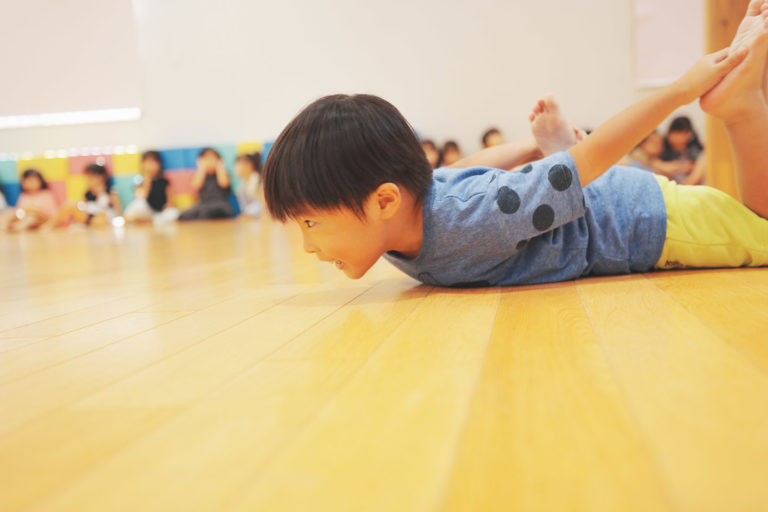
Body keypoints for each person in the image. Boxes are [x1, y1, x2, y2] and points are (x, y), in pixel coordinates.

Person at [261, 0, 768, 285]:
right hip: (612, 209)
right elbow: (471, 169)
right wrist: (531, 149)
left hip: (645, 226)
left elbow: (590, 159)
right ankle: (740, 104)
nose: (308, 245)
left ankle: (742, 103)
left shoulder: (469, 222)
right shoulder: (404, 218)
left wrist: (681, 88)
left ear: (384, 201)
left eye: (311, 223)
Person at [123, 150, 179, 224]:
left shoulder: (164, 182)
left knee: (173, 213)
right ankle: (151, 221)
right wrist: (147, 181)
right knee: (139, 204)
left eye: (153, 162)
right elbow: (140, 198)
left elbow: (170, 201)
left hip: (159, 213)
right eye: (147, 162)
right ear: (142, 164)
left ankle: (149, 222)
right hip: (146, 211)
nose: (150, 166)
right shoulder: (139, 180)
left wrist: (169, 205)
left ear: (159, 164)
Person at [178, 148, 234, 221]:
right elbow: (196, 185)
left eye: (213, 158)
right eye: (206, 158)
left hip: (221, 205)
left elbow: (224, 183)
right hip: (203, 205)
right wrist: (202, 168)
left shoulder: (223, 173)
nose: (210, 161)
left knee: (207, 214)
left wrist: (219, 167)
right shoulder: (200, 174)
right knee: (183, 216)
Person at [625, 130, 696, 178]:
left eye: (660, 143)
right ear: (643, 143)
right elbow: (667, 168)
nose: (660, 147)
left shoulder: (651, 158)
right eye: (655, 143)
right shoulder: (638, 156)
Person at [659, 116, 706, 184]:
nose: (675, 137)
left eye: (679, 133)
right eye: (673, 132)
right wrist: (682, 167)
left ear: (689, 134)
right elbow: (662, 167)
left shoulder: (695, 151)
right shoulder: (662, 150)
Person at [234, 152, 263, 217]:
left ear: (249, 165)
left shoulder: (258, 181)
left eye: (238, 164)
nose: (236, 168)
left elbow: (263, 205)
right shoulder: (242, 184)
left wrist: (248, 214)